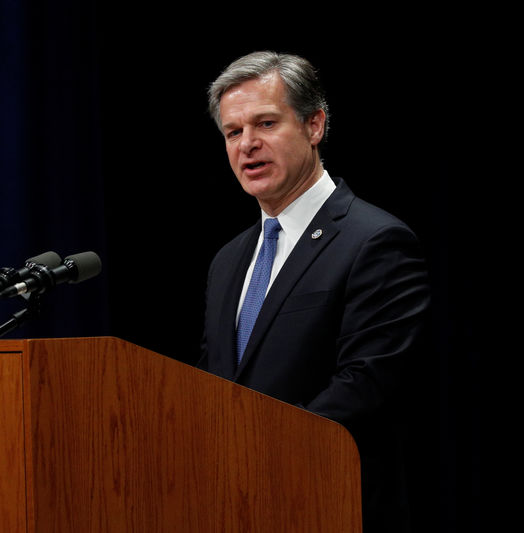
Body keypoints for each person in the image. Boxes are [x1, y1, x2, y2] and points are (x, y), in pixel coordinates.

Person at [198, 51, 430, 532]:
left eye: (265, 123)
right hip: (231, 509)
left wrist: (258, 455)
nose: (248, 145)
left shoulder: (375, 240)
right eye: (233, 132)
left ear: (314, 126)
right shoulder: (227, 261)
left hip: (332, 504)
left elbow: (365, 385)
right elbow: (212, 384)